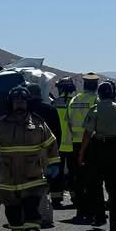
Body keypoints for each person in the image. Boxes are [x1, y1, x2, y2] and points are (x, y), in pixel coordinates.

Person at [0, 86, 60, 231]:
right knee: (12, 209)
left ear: (28, 103)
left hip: (33, 175)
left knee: (31, 205)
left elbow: (51, 143)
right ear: (11, 104)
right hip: (8, 176)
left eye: (22, 103)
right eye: (16, 103)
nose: (20, 106)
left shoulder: (38, 123)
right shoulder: (0, 124)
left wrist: (54, 163)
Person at [78, 81, 116, 231]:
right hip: (115, 149)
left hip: (98, 149)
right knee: (115, 187)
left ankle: (100, 216)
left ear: (100, 94)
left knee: (95, 185)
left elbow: (88, 133)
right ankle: (114, 222)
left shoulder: (95, 110)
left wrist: (82, 152)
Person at [26, 82, 61, 227]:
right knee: (44, 184)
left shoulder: (24, 111)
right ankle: (45, 216)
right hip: (46, 152)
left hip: (26, 153)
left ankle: (28, 215)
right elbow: (58, 133)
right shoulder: (51, 110)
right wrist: (55, 152)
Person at [66, 72, 99, 220]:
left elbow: (68, 120)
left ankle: (80, 211)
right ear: (96, 85)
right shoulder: (96, 100)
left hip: (75, 144)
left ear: (84, 85)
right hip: (91, 144)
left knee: (78, 179)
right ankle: (92, 210)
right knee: (92, 179)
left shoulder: (74, 99)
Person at [51, 77, 77, 208]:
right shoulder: (75, 103)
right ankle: (75, 197)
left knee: (57, 172)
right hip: (73, 144)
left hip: (57, 145)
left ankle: (56, 198)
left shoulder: (54, 104)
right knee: (74, 172)